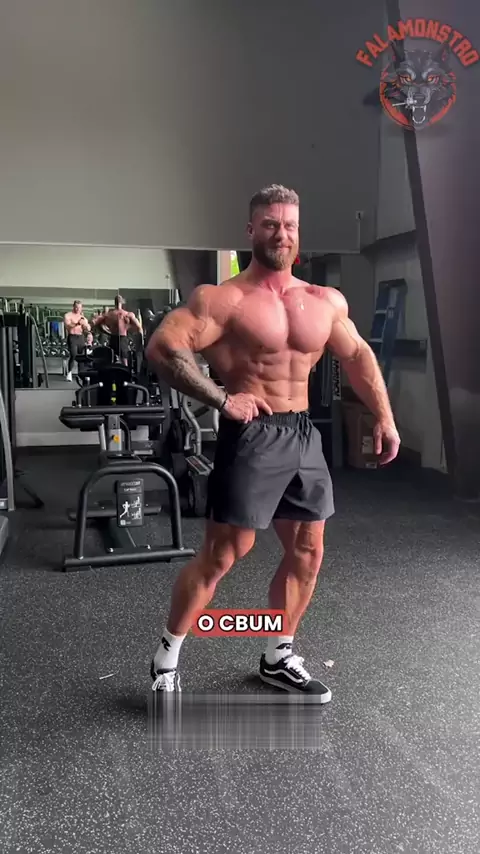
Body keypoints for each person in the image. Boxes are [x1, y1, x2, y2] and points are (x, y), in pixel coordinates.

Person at [146, 184, 401, 700]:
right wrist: (222, 398)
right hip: (253, 435)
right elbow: (164, 347)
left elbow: (357, 356)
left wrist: (385, 417)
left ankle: (277, 654)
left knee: (308, 551)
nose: (280, 234)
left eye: (289, 225)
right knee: (225, 553)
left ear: (298, 232)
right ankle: (166, 657)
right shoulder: (223, 299)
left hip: (303, 433)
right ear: (251, 231)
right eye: (270, 224)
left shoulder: (324, 301)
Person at [92, 295, 142, 365]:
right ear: (122, 302)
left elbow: (96, 323)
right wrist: (129, 329)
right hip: (120, 338)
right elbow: (138, 327)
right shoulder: (126, 314)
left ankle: (120, 370)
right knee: (121, 360)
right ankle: (122, 370)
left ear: (115, 302)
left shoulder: (110, 314)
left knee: (115, 360)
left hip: (116, 338)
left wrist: (107, 331)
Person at [64, 300, 90, 381]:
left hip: (81, 337)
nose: (77, 309)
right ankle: (69, 373)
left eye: (79, 308)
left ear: (81, 308)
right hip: (72, 337)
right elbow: (68, 326)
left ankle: (81, 374)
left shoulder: (83, 318)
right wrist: (78, 323)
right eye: (76, 307)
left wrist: (86, 327)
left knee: (82, 356)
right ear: (73, 307)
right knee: (73, 354)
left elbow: (87, 329)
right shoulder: (68, 315)